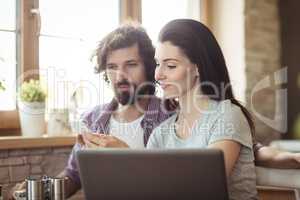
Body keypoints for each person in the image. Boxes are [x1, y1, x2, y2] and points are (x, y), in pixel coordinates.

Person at [8, 23, 300, 199]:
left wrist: (127, 156)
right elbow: (78, 175)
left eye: (168, 65)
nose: (160, 75)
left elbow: (203, 181)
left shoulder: (216, 113)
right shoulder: (157, 130)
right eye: (112, 67)